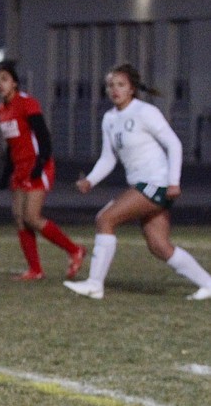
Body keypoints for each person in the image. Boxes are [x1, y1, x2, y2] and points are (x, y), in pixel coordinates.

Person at [64, 63, 211, 301]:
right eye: (111, 85)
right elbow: (108, 157)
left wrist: (174, 182)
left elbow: (174, 144)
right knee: (159, 245)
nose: (115, 90)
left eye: (121, 85)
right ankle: (208, 284)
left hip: (155, 182)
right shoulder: (110, 118)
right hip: (142, 185)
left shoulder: (145, 112)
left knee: (105, 219)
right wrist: (90, 180)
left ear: (132, 88)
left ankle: (94, 284)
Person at [0, 61, 86, 281]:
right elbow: (11, 145)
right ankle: (35, 270)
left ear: (14, 83)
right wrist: (5, 173)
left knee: (32, 217)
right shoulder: (1, 110)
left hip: (36, 165)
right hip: (19, 167)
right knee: (19, 218)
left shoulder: (27, 103)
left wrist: (40, 163)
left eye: (4, 79)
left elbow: (43, 136)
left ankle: (74, 250)